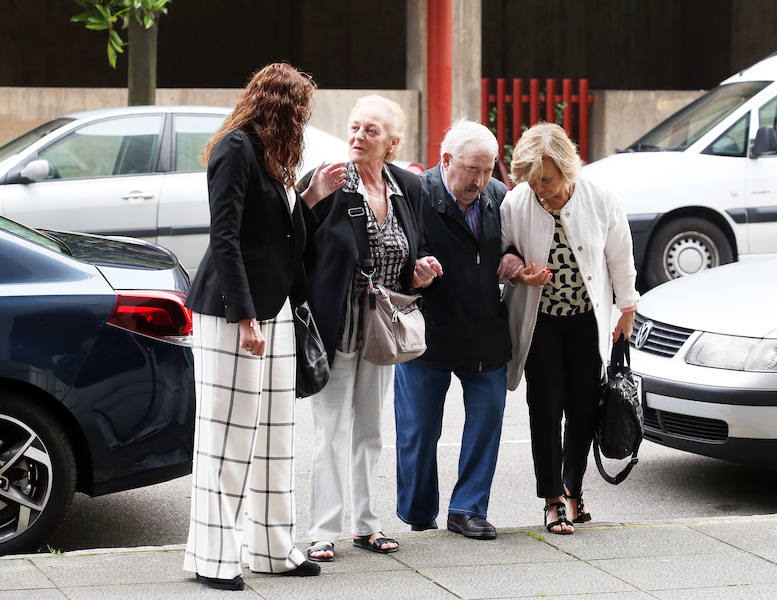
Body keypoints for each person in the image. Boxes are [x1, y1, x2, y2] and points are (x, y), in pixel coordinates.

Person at [183, 63, 345, 591]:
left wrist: (309, 198)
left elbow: (280, 233)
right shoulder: (236, 148)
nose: (304, 119)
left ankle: (273, 549)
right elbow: (224, 237)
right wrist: (245, 315)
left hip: (273, 310)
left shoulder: (274, 156)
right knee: (226, 441)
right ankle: (213, 558)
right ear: (278, 105)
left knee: (275, 438)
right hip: (235, 311)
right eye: (300, 108)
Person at [302, 95, 441, 562]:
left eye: (371, 131)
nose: (358, 137)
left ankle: (366, 524)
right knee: (330, 429)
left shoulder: (407, 186)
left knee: (370, 430)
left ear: (392, 144)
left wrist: (417, 271)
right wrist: (309, 200)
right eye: (355, 128)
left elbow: (408, 250)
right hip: (337, 323)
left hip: (382, 325)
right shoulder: (329, 182)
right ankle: (323, 530)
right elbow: (298, 246)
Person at [501, 122, 639, 535]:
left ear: (567, 167)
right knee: (544, 411)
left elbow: (620, 257)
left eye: (546, 179)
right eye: (531, 180)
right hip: (540, 324)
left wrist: (627, 309)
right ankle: (552, 499)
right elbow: (503, 254)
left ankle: (574, 490)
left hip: (586, 321)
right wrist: (519, 274)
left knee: (582, 411)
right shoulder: (516, 203)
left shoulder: (600, 198)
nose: (539, 188)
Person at [393, 119, 524, 540]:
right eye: (472, 170)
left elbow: (516, 243)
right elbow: (395, 250)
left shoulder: (498, 196)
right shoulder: (414, 194)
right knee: (418, 429)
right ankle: (418, 512)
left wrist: (515, 258)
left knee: (486, 422)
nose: (481, 180)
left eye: (488, 170)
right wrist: (416, 267)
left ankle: (468, 508)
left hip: (484, 330)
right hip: (426, 333)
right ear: (446, 160)